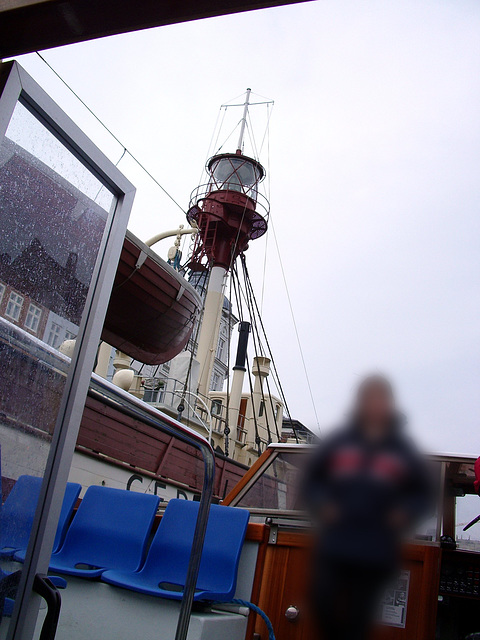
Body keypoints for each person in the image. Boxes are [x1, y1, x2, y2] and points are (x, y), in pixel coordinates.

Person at [304, 374, 431, 640]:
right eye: (369, 398)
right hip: (336, 543)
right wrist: (322, 503)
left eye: (380, 399)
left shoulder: (402, 450)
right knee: (321, 601)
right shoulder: (339, 442)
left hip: (375, 549)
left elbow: (422, 493)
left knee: (359, 619)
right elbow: (312, 482)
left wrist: (405, 511)